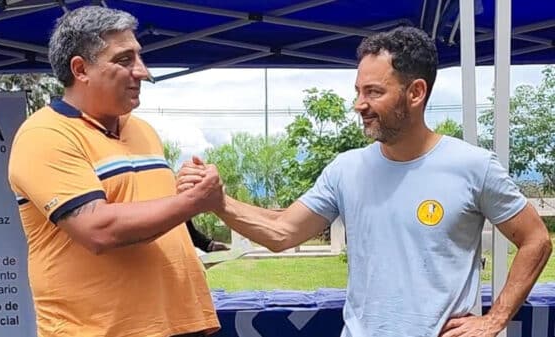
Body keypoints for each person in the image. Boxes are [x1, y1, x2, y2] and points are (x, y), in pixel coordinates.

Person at [177, 26, 552, 337]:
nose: (359, 104)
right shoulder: (346, 169)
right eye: (358, 91)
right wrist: (218, 203)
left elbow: (535, 239)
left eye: (374, 92)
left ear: (416, 92)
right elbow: (282, 231)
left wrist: (495, 319)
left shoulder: (472, 166)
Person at [8, 6, 221, 337]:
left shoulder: (144, 131)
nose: (143, 71)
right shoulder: (44, 135)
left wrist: (185, 190)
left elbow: (157, 216)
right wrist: (193, 201)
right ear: (80, 69)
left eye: (139, 57)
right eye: (125, 60)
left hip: (180, 325)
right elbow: (99, 229)